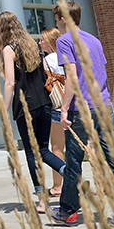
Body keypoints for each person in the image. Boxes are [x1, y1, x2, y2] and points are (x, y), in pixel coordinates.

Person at [49, 0, 114, 227]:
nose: (57, 24)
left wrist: (63, 109)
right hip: (104, 105)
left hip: (81, 109)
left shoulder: (64, 41)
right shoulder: (94, 40)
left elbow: (71, 77)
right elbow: (100, 72)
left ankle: (68, 211)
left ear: (63, 19)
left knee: (73, 162)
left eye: (56, 19)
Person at [0, 11, 64, 196]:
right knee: (44, 150)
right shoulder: (31, 43)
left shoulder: (9, 49)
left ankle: (40, 198)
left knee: (31, 152)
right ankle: (70, 174)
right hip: (44, 103)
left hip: (25, 106)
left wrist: (4, 110)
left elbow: (10, 83)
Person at [40, 27, 67, 197]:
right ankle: (103, 182)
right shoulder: (68, 57)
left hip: (57, 106)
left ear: (50, 41)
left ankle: (58, 186)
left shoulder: (48, 60)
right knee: (86, 146)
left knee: (57, 148)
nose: (40, 42)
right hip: (74, 104)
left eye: (42, 39)